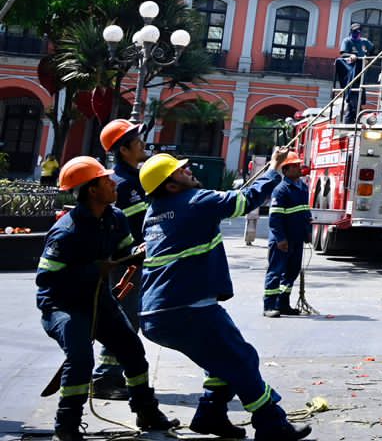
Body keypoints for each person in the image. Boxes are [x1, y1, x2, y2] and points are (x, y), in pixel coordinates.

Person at [138, 146, 311, 441]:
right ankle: (271, 424)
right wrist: (273, 168)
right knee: (241, 359)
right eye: (182, 170)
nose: (189, 170)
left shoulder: (154, 213)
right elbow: (246, 200)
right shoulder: (196, 201)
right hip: (188, 309)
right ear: (170, 184)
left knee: (221, 360)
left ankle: (210, 415)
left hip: (156, 315)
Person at [36, 156, 178, 441]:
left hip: (98, 302)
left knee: (133, 351)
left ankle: (146, 411)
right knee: (80, 360)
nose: (114, 184)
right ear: (92, 190)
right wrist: (89, 271)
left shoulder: (115, 218)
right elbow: (45, 282)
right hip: (62, 306)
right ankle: (67, 424)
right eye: (106, 181)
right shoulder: (66, 232)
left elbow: (125, 249)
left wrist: (138, 252)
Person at [90, 119, 151, 399]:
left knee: (129, 319)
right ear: (124, 149)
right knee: (123, 320)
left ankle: (112, 376)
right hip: (124, 264)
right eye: (137, 140)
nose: (143, 143)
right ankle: (104, 378)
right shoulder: (120, 184)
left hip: (134, 262)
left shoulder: (134, 179)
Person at [263, 152, 312, 318]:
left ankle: (283, 304)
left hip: (297, 239)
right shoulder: (281, 190)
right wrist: (280, 239)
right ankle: (269, 306)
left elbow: (304, 212)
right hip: (283, 240)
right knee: (276, 272)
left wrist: (307, 233)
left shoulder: (302, 187)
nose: (299, 168)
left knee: (292, 271)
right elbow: (275, 217)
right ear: (286, 169)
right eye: (295, 165)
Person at [337, 23, 377, 124]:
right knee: (352, 97)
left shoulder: (364, 42)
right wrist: (351, 55)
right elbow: (342, 54)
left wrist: (368, 58)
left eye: (358, 32)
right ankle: (353, 117)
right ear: (351, 32)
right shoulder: (347, 41)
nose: (356, 34)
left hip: (361, 72)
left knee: (359, 94)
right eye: (354, 32)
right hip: (351, 72)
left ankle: (355, 117)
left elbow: (374, 50)